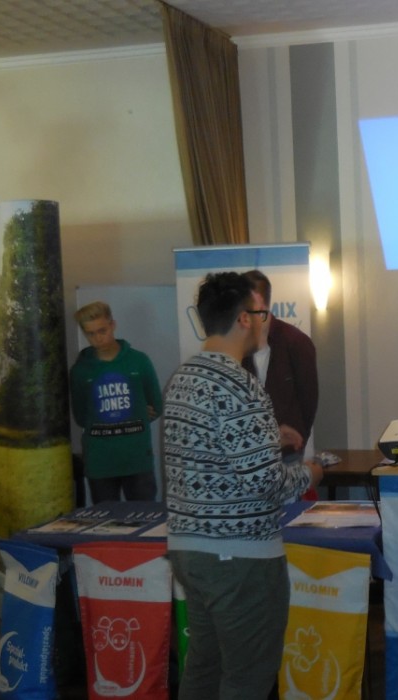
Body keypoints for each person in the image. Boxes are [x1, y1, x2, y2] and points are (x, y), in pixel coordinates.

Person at [164, 271, 322, 700]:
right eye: (260, 314)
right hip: (239, 557)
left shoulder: (183, 377)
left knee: (203, 669)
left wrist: (269, 438)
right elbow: (267, 484)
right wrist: (311, 473)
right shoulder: (240, 385)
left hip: (190, 550)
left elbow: (210, 458)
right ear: (244, 319)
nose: (264, 322)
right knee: (247, 679)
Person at [69, 301, 163, 503]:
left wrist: (136, 414)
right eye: (90, 333)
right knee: (106, 518)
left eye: (102, 330)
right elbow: (81, 416)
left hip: (137, 458)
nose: (97, 338)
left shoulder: (139, 361)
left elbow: (157, 405)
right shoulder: (80, 371)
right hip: (100, 461)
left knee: (144, 516)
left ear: (113, 325)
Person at [241, 269, 319, 463]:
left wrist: (297, 437)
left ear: (262, 304)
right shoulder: (239, 344)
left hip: (288, 453)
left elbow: (309, 400)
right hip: (247, 452)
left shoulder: (296, 342)